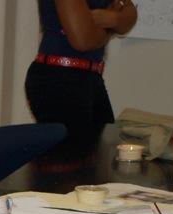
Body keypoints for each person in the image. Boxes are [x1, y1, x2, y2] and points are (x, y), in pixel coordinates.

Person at [25, 0, 137, 142]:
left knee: (101, 152)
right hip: (58, 79)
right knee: (74, 157)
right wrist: (113, 26)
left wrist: (113, 18)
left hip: (89, 78)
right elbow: (83, 40)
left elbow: (130, 12)